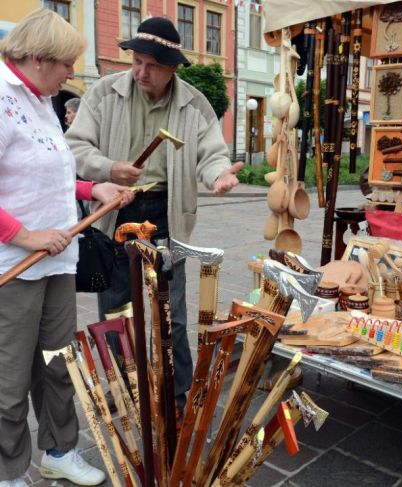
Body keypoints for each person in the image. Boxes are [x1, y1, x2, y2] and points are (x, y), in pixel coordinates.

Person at [66, 16, 243, 413]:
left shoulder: (194, 102)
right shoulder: (103, 93)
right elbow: (74, 148)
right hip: (116, 210)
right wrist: (110, 168)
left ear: (173, 68)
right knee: (116, 308)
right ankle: (124, 385)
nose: (142, 72)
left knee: (171, 312)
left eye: (153, 65)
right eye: (137, 62)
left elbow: (211, 153)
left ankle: (174, 393)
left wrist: (218, 176)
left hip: (166, 214)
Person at [0, 9, 134, 487]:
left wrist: (89, 190)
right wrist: (23, 235)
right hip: (14, 266)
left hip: (57, 261)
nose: (72, 73)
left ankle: (59, 449)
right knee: (10, 379)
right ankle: (9, 471)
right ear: (39, 59)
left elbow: (45, 176)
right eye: (67, 64)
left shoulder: (41, 100)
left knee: (57, 362)